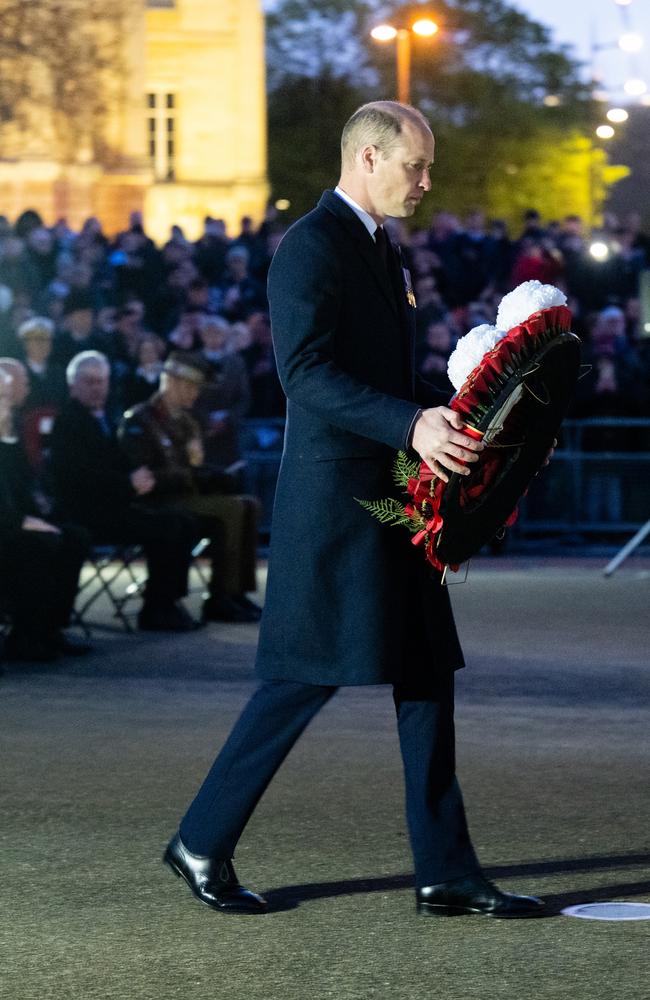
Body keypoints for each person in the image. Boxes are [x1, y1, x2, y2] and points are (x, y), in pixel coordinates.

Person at [163, 101, 544, 917]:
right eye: (416, 165)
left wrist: (464, 415)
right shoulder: (310, 247)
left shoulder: (378, 248)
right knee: (300, 680)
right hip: (339, 503)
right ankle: (201, 840)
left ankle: (445, 871)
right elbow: (303, 373)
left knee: (425, 670)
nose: (427, 182)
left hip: (392, 497)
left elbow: (379, 375)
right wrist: (413, 421)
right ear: (368, 158)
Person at [49, 351, 198, 632]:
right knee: (168, 527)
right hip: (87, 512)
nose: (97, 388)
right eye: (89, 382)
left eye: (101, 382)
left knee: (182, 522)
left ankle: (167, 602)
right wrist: (128, 482)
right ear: (73, 386)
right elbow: (77, 477)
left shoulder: (104, 418)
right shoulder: (68, 422)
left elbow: (117, 463)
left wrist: (138, 476)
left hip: (114, 505)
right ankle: (157, 607)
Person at [119, 352, 261, 623]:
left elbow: (193, 467)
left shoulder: (187, 422)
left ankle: (236, 592)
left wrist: (214, 475)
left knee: (249, 504)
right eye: (190, 386)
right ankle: (221, 596)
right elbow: (145, 475)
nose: (195, 393)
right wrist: (193, 477)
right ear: (170, 382)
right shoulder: (140, 420)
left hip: (187, 499)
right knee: (232, 508)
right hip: (159, 502)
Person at [0, 361, 90, 662]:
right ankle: (25, 633)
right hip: (7, 526)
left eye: (6, 396)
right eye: (2, 396)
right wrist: (22, 521)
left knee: (72, 537)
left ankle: (50, 627)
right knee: (36, 545)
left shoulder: (9, 432)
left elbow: (22, 485)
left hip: (14, 519)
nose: (8, 403)